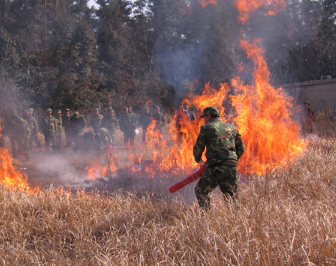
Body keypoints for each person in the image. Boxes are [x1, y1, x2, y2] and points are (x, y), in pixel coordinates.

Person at [193, 106, 245, 210]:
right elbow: (241, 148)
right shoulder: (232, 128)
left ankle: (206, 216)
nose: (204, 119)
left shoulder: (206, 128)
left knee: (201, 190)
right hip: (231, 166)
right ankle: (236, 220)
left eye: (204, 117)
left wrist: (199, 160)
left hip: (215, 166)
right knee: (231, 195)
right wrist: (232, 159)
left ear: (209, 116)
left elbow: (198, 148)